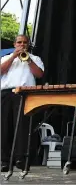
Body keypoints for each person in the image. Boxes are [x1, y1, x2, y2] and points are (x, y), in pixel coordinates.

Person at [1, 35, 44, 172]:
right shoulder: (5, 58)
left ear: (28, 45)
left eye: (25, 43)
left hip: (25, 93)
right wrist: (13, 56)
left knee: (23, 128)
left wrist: (28, 60)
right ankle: (4, 160)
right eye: (19, 42)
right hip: (6, 94)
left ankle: (21, 159)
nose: (22, 45)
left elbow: (39, 75)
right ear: (15, 44)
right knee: (4, 127)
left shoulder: (35, 59)